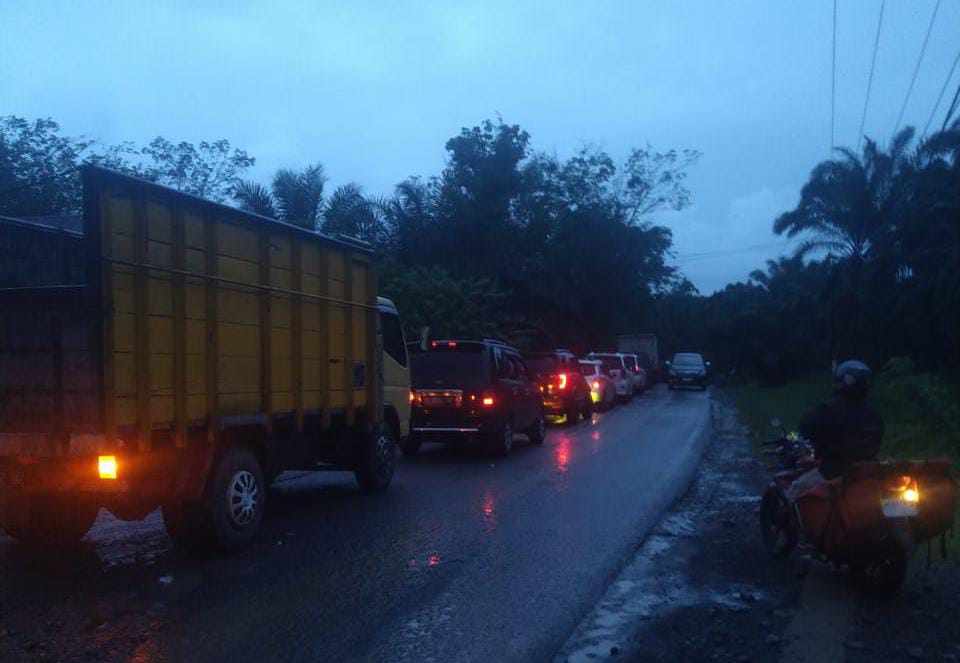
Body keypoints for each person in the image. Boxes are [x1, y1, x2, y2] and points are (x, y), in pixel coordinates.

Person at [785, 360, 884, 502]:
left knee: (796, 488)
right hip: (867, 470)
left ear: (841, 381)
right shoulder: (874, 412)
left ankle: (790, 524)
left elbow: (805, 427)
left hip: (835, 470)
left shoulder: (828, 408)